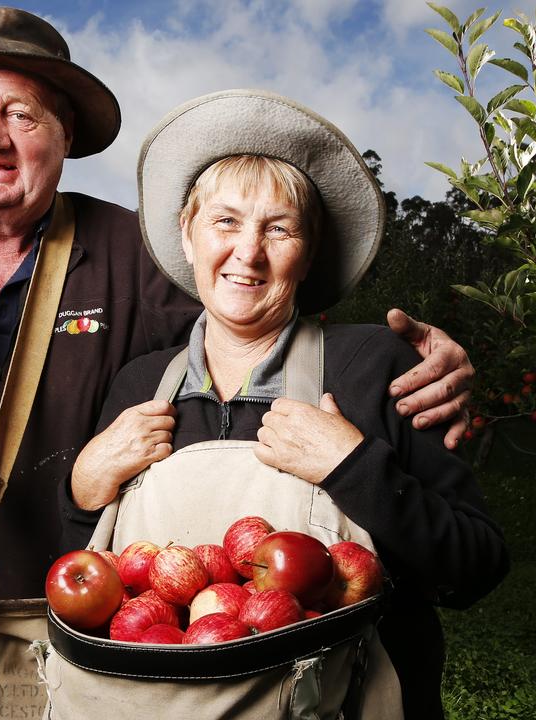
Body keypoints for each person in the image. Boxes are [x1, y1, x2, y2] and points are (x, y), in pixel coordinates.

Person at [0, 6, 476, 603]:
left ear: (66, 137)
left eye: (21, 114)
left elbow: (252, 321)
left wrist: (420, 371)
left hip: (78, 622)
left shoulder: (127, 249)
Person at [61, 90, 508, 719]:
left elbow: (475, 566)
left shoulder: (377, 365)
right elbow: (97, 591)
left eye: (279, 227)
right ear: (187, 236)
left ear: (309, 250)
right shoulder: (142, 384)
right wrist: (82, 495)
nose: (248, 252)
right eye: (224, 221)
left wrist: (354, 469)